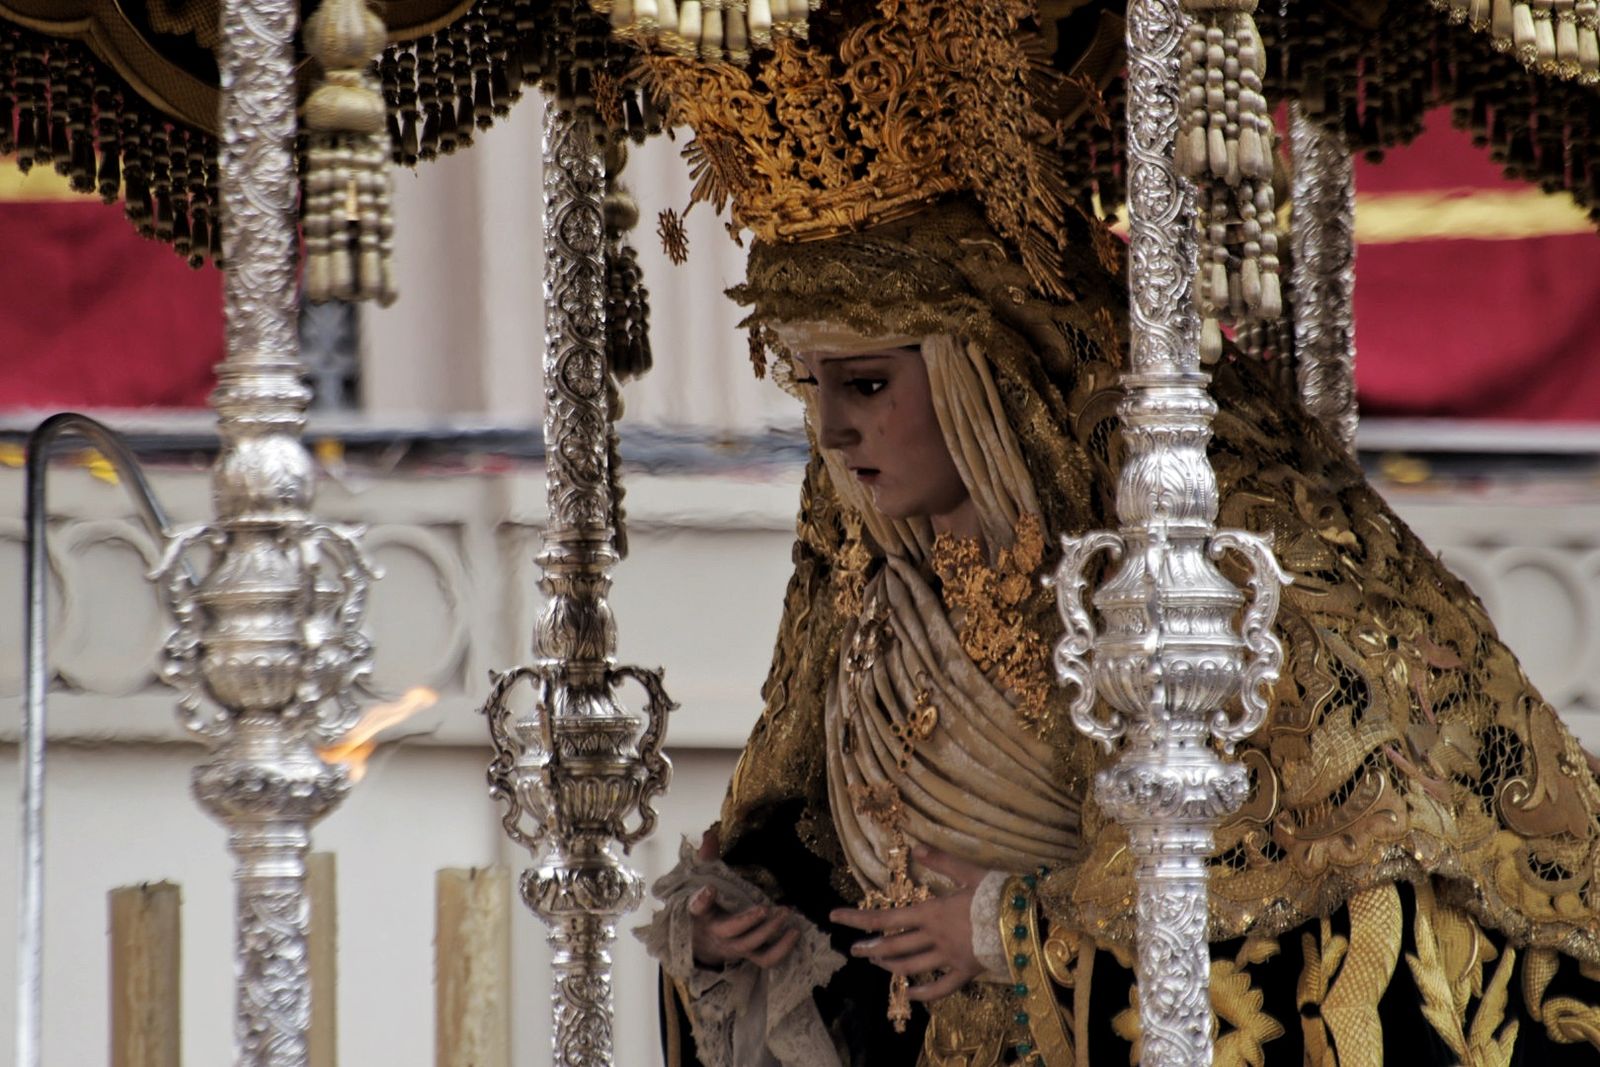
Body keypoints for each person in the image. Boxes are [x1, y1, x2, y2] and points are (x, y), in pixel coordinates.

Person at [629, 7, 1600, 1065]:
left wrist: (1010, 930)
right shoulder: (873, 599)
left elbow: (1322, 891)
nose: (831, 428)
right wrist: (755, 918)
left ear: (979, 377)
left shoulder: (1200, 577)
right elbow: (837, 871)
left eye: (866, 383)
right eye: (808, 386)